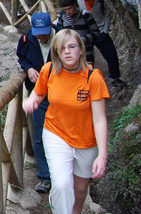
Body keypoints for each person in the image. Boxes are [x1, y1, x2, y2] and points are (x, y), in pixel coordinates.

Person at [22, 29, 109, 214]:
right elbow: (38, 94)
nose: (67, 51)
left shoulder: (93, 78)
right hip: (56, 133)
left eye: (72, 47)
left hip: (86, 140)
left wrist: (102, 155)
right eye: (62, 48)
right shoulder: (49, 70)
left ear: (81, 50)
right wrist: (30, 102)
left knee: (79, 189)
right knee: (61, 185)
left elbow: (100, 119)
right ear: (56, 52)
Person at [17, 12, 55, 193]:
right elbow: (21, 57)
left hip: (61, 94)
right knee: (40, 134)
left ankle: (66, 173)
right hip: (39, 94)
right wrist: (29, 68)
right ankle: (45, 177)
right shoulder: (26, 38)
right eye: (38, 33)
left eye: (45, 33)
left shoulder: (62, 38)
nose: (41, 36)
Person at [75, 0, 124, 88]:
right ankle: (86, 81)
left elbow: (107, 14)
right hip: (86, 32)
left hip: (100, 31)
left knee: (111, 55)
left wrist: (105, 31)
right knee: (85, 58)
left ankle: (115, 77)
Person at [53, 0, 99, 66]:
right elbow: (59, 34)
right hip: (69, 54)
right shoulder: (62, 18)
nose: (68, 11)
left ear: (74, 5)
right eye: (65, 10)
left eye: (69, 8)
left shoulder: (85, 15)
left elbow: (96, 33)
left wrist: (82, 40)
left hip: (86, 52)